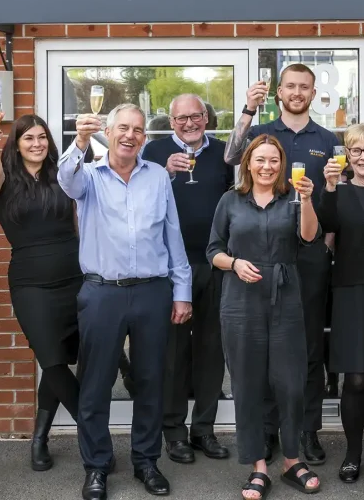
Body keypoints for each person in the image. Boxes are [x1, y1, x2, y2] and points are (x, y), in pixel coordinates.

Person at [57, 104, 192, 500]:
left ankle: (146, 462)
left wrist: (181, 290)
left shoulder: (157, 178)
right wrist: (79, 140)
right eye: (122, 128)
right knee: (96, 384)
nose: (130, 136)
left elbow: (173, 234)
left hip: (152, 291)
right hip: (102, 293)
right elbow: (65, 179)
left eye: (137, 130)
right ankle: (96, 466)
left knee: (151, 381)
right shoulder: (88, 177)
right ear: (109, 133)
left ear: (144, 139)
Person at [225, 63, 339, 466]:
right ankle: (270, 432)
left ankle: (306, 431)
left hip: (307, 256)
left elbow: (333, 200)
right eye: (290, 85)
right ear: (279, 92)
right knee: (265, 348)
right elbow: (230, 158)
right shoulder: (260, 133)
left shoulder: (327, 139)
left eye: (304, 86)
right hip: (265, 256)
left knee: (305, 348)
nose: (296, 91)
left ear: (313, 92)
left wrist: (326, 238)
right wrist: (247, 110)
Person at [208, 134, 322, 499]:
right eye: (260, 160)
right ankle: (258, 465)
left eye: (274, 160)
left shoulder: (293, 197)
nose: (267, 166)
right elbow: (213, 250)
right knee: (248, 384)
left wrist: (306, 199)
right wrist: (235, 263)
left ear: (282, 164)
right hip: (241, 299)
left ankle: (291, 460)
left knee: (290, 382)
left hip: (286, 294)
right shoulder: (231, 200)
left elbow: (309, 236)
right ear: (248, 164)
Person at [0, 113, 90, 471]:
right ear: (16, 144)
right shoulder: (3, 181)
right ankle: (92, 431)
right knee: (52, 360)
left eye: (42, 137)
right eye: (28, 138)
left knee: (60, 357)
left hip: (74, 276)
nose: (37, 144)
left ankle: (40, 436)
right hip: (31, 284)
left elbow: (78, 221)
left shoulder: (62, 176)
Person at [142, 94, 235, 464]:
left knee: (212, 351)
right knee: (174, 354)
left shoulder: (225, 154)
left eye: (196, 116)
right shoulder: (152, 151)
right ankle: (174, 433)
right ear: (171, 121)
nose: (189, 123)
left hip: (216, 264)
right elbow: (136, 199)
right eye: (181, 118)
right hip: (170, 268)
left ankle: (204, 430)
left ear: (207, 118)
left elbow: (239, 197)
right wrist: (163, 171)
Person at [317, 123, 364, 484]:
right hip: (351, 288)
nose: (363, 157)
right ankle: (352, 453)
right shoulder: (337, 190)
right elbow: (324, 226)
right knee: (358, 377)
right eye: (356, 150)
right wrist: (330, 187)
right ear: (347, 155)